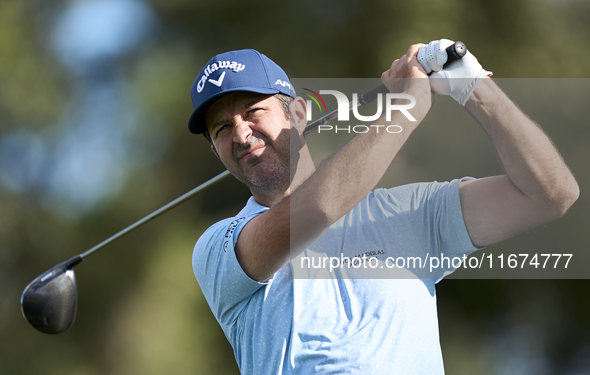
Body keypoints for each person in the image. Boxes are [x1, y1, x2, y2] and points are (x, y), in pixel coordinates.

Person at [189, 42, 579, 374]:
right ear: (215, 150)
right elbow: (320, 207)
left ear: (299, 114)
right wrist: (407, 106)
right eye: (222, 129)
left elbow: (550, 193)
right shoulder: (217, 249)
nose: (240, 134)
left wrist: (471, 85)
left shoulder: (411, 213)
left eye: (253, 111)